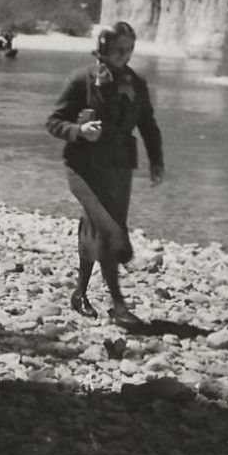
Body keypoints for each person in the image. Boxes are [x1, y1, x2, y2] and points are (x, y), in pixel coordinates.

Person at [45, 21, 165, 326]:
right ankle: (120, 303)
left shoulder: (136, 82)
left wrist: (157, 162)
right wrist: (79, 131)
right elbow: (54, 121)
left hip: (120, 167)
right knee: (112, 231)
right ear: (102, 48)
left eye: (129, 49)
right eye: (118, 49)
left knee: (98, 229)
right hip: (82, 167)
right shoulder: (79, 79)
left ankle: (80, 293)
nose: (124, 55)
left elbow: (148, 124)